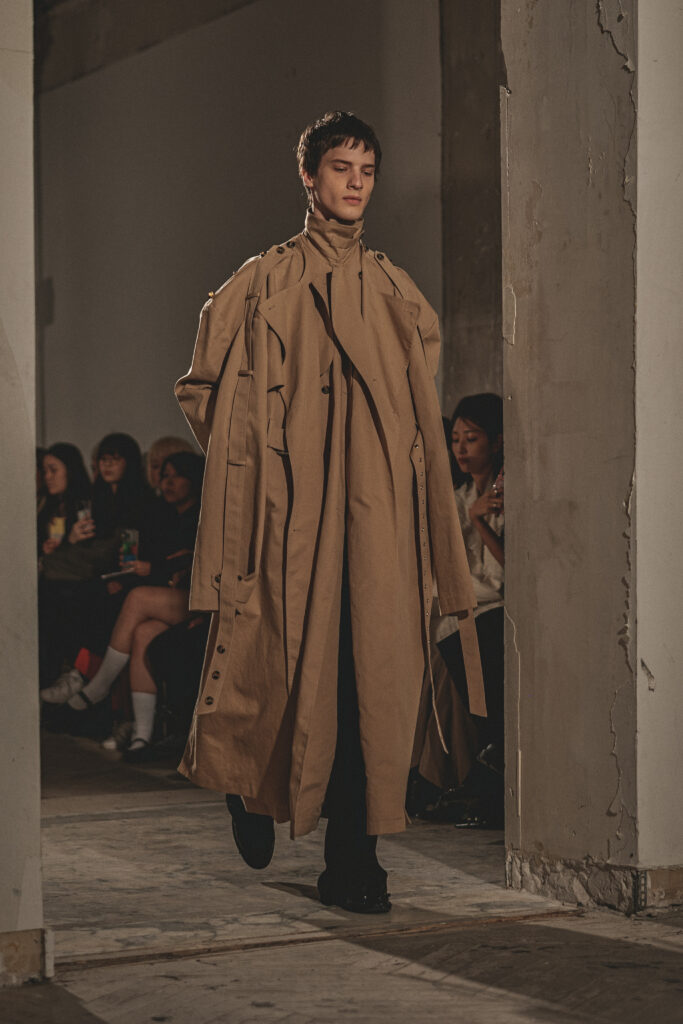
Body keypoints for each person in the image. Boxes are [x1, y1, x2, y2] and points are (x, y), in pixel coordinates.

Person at [175, 111, 483, 913]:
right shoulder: (261, 282)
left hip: (375, 523)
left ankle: (355, 863)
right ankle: (246, 787)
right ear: (308, 176)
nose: (355, 183)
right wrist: (258, 463)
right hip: (286, 519)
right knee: (273, 663)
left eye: (366, 170)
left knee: (368, 685)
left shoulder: (393, 291)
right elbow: (202, 390)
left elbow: (417, 406)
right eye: (341, 167)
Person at [40, 451, 204, 720]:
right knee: (138, 628)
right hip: (160, 591)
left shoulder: (196, 516)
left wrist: (155, 568)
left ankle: (96, 682)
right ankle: (139, 732)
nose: (168, 482)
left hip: (195, 598)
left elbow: (188, 563)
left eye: (177, 476)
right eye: (164, 475)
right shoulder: (166, 514)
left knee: (125, 599)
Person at [415, 393, 504, 824]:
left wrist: (478, 520)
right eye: (455, 439)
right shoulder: (459, 495)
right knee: (432, 636)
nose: (461, 449)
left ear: (497, 441)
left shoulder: (507, 493)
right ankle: (439, 771)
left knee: (443, 638)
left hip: (497, 602)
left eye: (472, 438)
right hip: (469, 599)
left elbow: (508, 574)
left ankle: (442, 774)